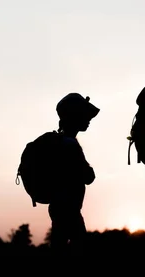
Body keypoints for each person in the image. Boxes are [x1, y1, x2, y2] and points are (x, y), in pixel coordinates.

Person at [48, 93, 99, 255]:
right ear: (76, 116)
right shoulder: (70, 144)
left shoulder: (59, 141)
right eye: (85, 115)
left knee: (58, 248)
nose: (89, 119)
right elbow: (88, 177)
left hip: (59, 207)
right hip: (68, 209)